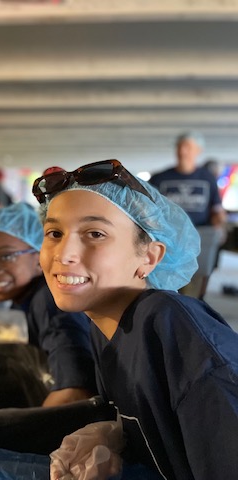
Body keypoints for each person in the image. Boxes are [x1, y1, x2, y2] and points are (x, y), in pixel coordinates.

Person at [32, 159, 238, 479]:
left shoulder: (169, 325)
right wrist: (117, 436)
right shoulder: (107, 327)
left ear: (150, 257)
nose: (64, 253)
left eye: (95, 233)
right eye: (54, 232)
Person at [0, 203, 96, 407]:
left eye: (5, 256)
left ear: (39, 257)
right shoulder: (25, 299)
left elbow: (75, 392)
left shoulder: (49, 301)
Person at [149, 131, 227, 228]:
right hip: (168, 233)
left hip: (201, 234)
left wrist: (219, 223)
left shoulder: (208, 178)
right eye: (179, 147)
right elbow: (147, 207)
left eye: (187, 147)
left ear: (198, 150)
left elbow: (217, 208)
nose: (182, 151)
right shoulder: (159, 178)